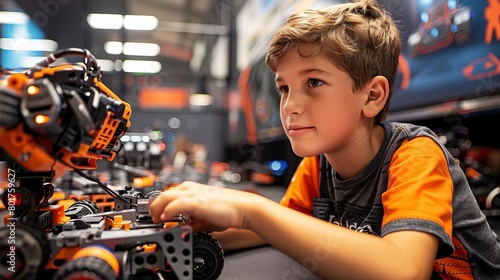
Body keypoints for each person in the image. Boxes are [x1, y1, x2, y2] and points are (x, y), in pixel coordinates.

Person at [150, 0, 500, 279]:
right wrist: (178, 242)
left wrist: (249, 209)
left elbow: (404, 269)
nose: (290, 106)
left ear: (372, 96)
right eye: (283, 88)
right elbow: (274, 227)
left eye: (313, 83)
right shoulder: (317, 165)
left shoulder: (415, 155)